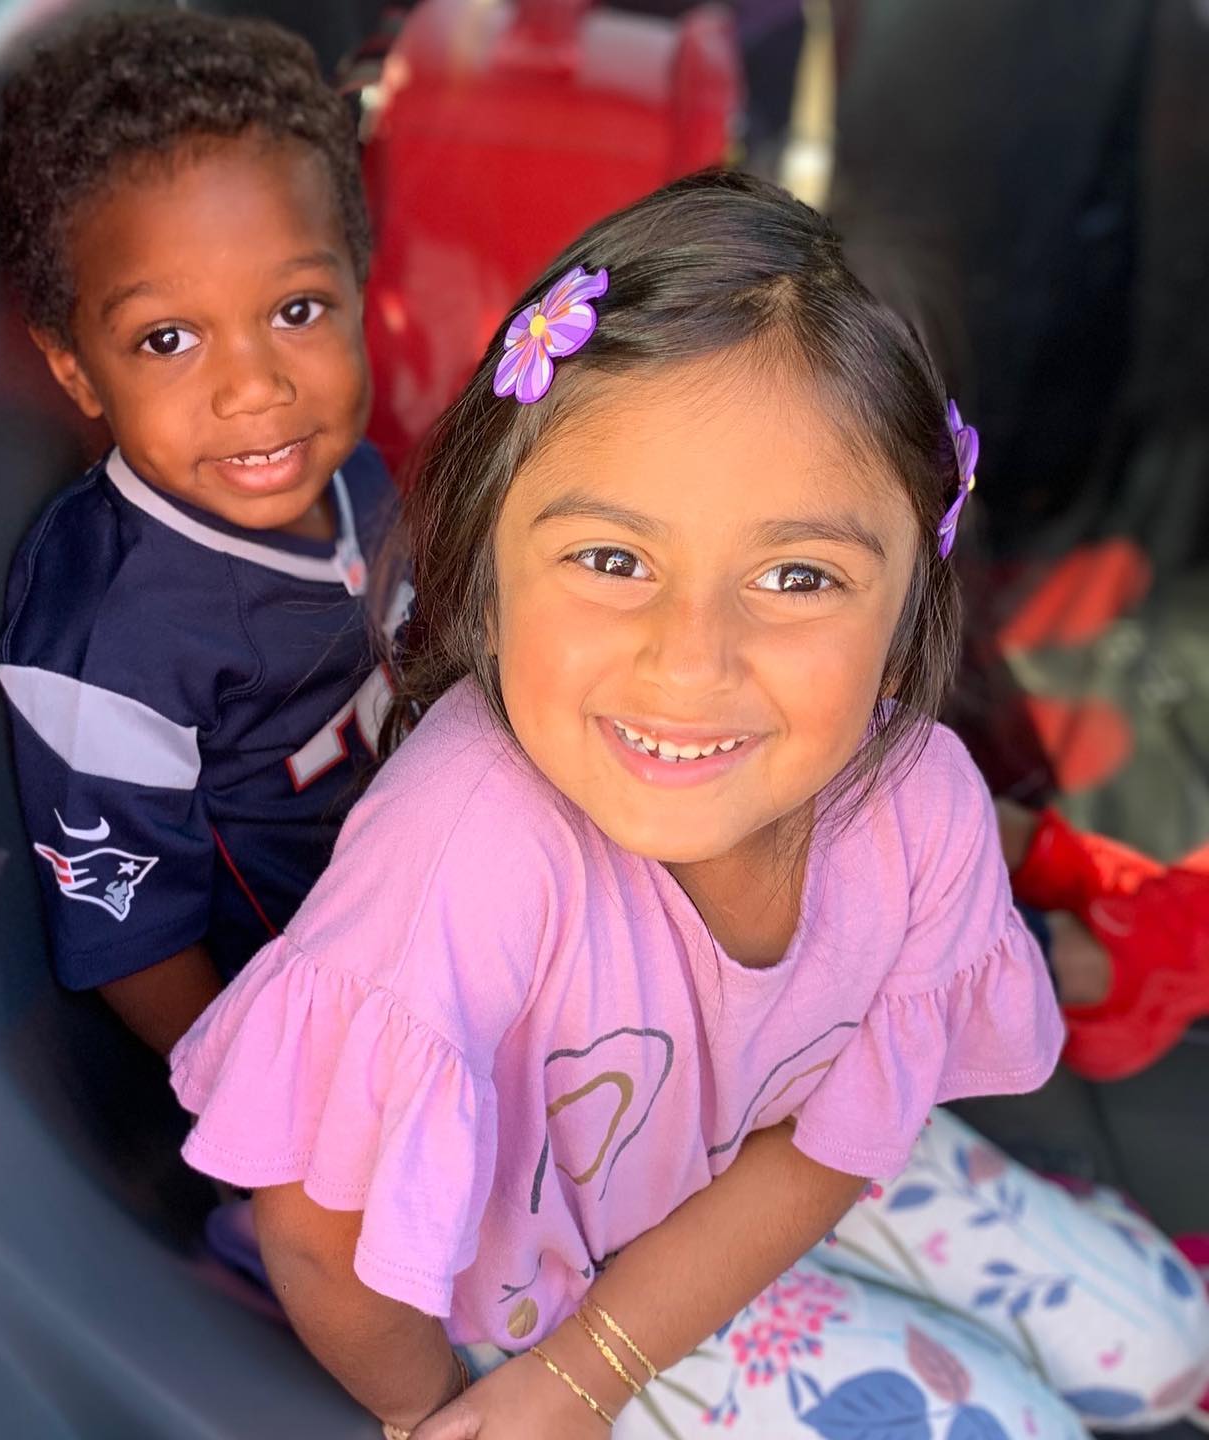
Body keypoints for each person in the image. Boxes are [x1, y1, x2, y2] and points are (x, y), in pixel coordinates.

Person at [169, 172, 1209, 1437]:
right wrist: (506, 1396)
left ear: (904, 626)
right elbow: (320, 1238)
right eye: (614, 561)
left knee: (1166, 1347)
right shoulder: (466, 857)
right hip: (540, 1292)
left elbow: (831, 1143)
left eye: (795, 574)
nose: (692, 659)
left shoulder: (916, 797)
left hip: (757, 1155)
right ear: (488, 579)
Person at [0, 13, 407, 1055]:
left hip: (438, 880)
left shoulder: (352, 469)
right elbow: (132, 943)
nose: (255, 387)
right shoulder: (113, 638)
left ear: (363, 287)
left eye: (299, 310)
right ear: (78, 369)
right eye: (167, 339)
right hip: (323, 1017)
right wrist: (256, 1135)